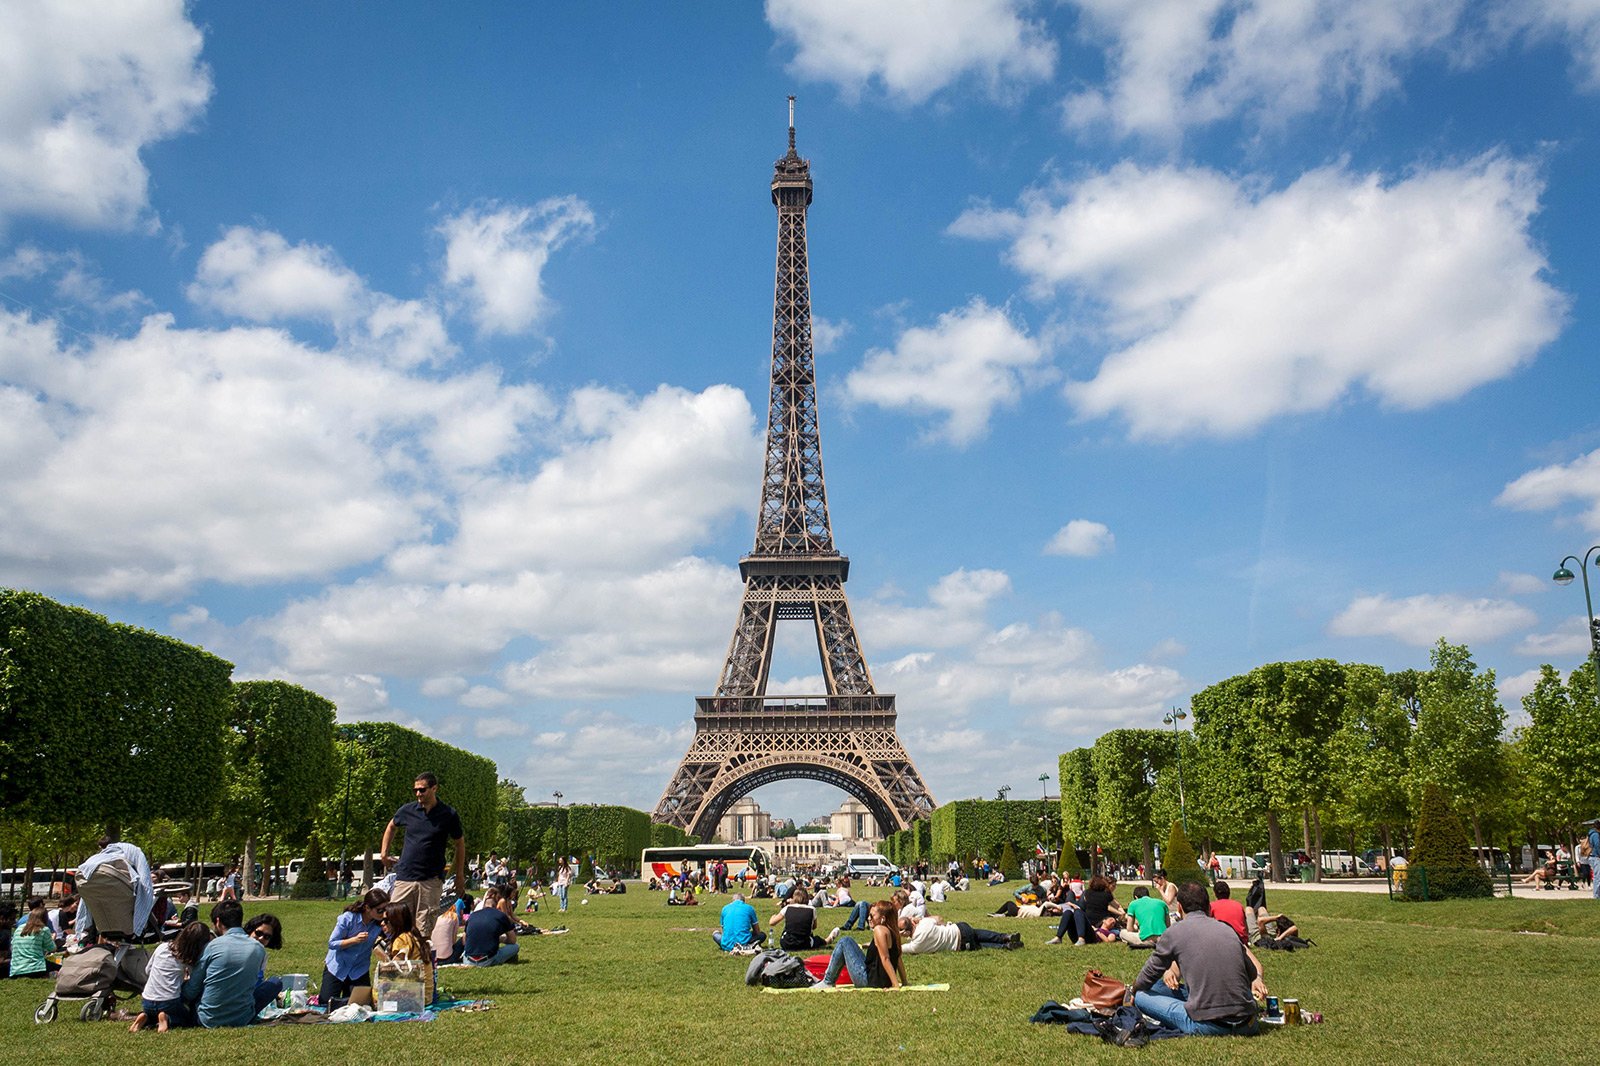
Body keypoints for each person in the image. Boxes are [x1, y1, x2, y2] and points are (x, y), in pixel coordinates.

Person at [1132, 881, 1266, 1037]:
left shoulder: (1174, 932)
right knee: (1159, 987)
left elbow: (1149, 974)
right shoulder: (1227, 929)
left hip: (1208, 1024)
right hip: (1248, 1023)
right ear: (1209, 906)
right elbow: (1251, 972)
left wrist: (1134, 991)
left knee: (1142, 996)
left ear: (1180, 907)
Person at [379, 772, 466, 942]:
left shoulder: (448, 814)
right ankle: (396, 963)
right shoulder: (407, 810)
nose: (418, 793)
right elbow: (391, 826)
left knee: (424, 929)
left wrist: (460, 875)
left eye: (422, 790)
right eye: (415, 790)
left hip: (430, 880)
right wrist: (384, 852)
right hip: (405, 877)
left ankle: (421, 965)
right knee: (395, 923)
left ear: (434, 788)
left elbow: (459, 844)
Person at [181, 900, 267, 1028]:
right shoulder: (259, 949)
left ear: (218, 921)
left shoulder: (212, 946)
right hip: (243, 1017)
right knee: (274, 983)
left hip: (208, 1018)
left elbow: (192, 990)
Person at [130, 920, 211, 1032]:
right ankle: (167, 1019)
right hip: (169, 1002)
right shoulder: (187, 959)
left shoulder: (162, 947)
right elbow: (193, 982)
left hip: (147, 999)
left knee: (153, 1012)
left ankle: (146, 1017)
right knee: (185, 1018)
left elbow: (147, 970)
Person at [816, 901, 906, 989]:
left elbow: (885, 958)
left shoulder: (879, 930)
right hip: (881, 980)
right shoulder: (893, 932)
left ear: (883, 918)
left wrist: (895, 985)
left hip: (869, 981)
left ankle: (828, 981)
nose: (869, 918)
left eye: (872, 916)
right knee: (848, 941)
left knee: (844, 941)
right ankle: (827, 981)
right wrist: (904, 982)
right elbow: (898, 958)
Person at [319, 889, 388, 1004]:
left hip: (359, 969)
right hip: (338, 966)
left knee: (361, 1004)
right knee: (325, 1003)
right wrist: (354, 940)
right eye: (380, 910)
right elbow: (332, 943)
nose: (384, 913)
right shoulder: (348, 918)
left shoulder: (381, 923)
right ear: (367, 908)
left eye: (386, 909)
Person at [375, 901, 435, 1001]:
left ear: (396, 921)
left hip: (415, 998)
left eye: (386, 920)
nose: (382, 923)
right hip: (427, 995)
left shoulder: (401, 939)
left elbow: (393, 970)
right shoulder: (413, 934)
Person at [900, 913, 1020, 953]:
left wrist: (898, 935)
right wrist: (919, 920)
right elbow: (939, 918)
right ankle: (1005, 936)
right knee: (976, 934)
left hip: (959, 944)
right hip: (959, 928)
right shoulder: (925, 923)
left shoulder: (915, 946)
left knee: (978, 945)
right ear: (912, 922)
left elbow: (899, 949)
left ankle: (1006, 946)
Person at [243, 913, 284, 1015]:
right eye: (258, 933)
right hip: (241, 1002)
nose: (261, 938)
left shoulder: (263, 954)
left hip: (247, 997)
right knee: (275, 983)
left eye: (267, 937)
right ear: (250, 930)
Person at [462, 897, 518, 966]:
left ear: (483, 905)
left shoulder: (472, 916)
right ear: (495, 906)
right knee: (515, 947)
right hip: (487, 960)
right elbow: (513, 940)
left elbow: (464, 940)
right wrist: (501, 939)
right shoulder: (501, 915)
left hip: (468, 960)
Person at [8, 905, 58, 977]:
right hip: (35, 968)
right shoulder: (44, 929)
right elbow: (52, 949)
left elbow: (12, 947)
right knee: (61, 968)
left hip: (15, 969)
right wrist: (52, 939)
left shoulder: (19, 929)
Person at [770, 886, 825, 951]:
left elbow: (772, 923)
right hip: (805, 943)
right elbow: (814, 927)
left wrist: (773, 917)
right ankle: (828, 939)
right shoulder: (812, 909)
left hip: (787, 943)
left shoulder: (788, 908)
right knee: (817, 939)